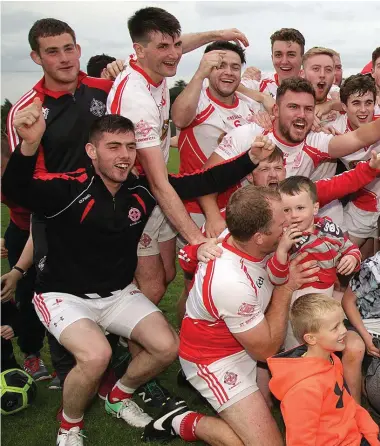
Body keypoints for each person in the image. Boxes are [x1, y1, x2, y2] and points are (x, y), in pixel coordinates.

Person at [2, 97, 274, 444]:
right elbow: (15, 190)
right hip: (62, 294)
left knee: (167, 347)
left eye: (130, 146)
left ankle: (118, 394)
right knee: (96, 355)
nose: (124, 155)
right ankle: (69, 424)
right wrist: (28, 145)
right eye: (113, 146)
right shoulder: (67, 188)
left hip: (117, 293)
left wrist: (249, 158)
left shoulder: (141, 187)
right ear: (91, 151)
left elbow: (202, 181)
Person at [107, 6, 250, 308]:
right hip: (133, 196)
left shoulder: (152, 68)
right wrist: (197, 241)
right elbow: (158, 183)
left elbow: (178, 44)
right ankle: (127, 338)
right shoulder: (136, 98)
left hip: (155, 193)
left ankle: (124, 321)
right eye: (163, 47)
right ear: (139, 50)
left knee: (168, 272)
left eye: (176, 45)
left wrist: (218, 34)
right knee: (153, 287)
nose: (174, 54)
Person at [4, 17, 114, 383]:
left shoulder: (103, 88)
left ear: (79, 49)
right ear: (36, 57)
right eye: (53, 51)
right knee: (45, 294)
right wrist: (85, 187)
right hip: (48, 221)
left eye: (69, 48)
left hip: (101, 216)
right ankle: (46, 361)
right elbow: (27, 181)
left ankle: (104, 358)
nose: (65, 58)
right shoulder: (28, 110)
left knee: (102, 285)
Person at [174, 185, 320, 445]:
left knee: (268, 409)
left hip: (247, 337)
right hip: (214, 359)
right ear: (260, 238)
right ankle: (188, 422)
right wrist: (286, 288)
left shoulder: (242, 233)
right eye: (280, 222)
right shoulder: (230, 282)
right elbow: (264, 350)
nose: (288, 222)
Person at [197, 77, 380, 238]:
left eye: (308, 109)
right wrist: (212, 217)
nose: (301, 114)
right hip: (246, 224)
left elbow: (358, 137)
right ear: (275, 110)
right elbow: (206, 178)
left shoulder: (315, 141)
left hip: (288, 228)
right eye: (293, 107)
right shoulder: (247, 136)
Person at [268, 294, 380, 446]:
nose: (344, 330)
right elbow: (301, 442)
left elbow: (347, 405)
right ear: (311, 339)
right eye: (335, 327)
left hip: (355, 436)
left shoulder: (332, 359)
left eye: (342, 323)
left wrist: (370, 432)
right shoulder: (304, 389)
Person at [269, 176, 361, 350]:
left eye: (300, 208)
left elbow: (349, 248)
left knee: (326, 346)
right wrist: (281, 250)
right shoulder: (281, 238)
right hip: (297, 304)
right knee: (298, 348)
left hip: (326, 297)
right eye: (286, 210)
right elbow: (275, 277)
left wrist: (352, 258)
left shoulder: (328, 228)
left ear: (315, 207)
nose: (294, 215)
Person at [332, 74, 380, 251]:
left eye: (368, 103)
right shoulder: (333, 130)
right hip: (361, 207)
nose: (363, 110)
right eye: (356, 103)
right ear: (344, 106)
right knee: (344, 262)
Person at [341, 251, 380, 403]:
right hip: (361, 321)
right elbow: (347, 302)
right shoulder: (373, 268)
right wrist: (366, 338)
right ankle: (354, 412)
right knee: (354, 348)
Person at [241, 28, 305, 98]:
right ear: (272, 58)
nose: (284, 61)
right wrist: (263, 98)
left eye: (291, 55)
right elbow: (231, 89)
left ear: (302, 59)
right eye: (278, 55)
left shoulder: (313, 83)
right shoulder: (260, 83)